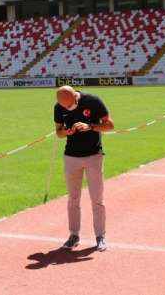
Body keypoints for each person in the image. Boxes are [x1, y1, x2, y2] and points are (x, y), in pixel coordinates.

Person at [54, 85, 114, 252]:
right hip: (71, 157)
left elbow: (109, 125)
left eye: (69, 105)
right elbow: (58, 132)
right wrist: (66, 132)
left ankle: (100, 236)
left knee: (97, 199)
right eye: (64, 106)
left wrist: (90, 127)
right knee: (73, 199)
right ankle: (74, 235)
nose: (67, 108)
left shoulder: (93, 101)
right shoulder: (59, 106)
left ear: (75, 96)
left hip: (93, 156)